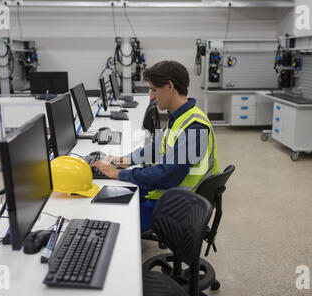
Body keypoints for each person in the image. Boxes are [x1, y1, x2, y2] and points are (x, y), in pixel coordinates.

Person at [93, 60, 219, 232]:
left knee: (112, 218)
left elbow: (167, 176)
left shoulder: (194, 127)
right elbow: (157, 147)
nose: (151, 96)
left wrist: (120, 174)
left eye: (153, 90)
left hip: (180, 205)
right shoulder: (180, 116)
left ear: (169, 86)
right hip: (172, 194)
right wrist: (127, 159)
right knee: (109, 196)